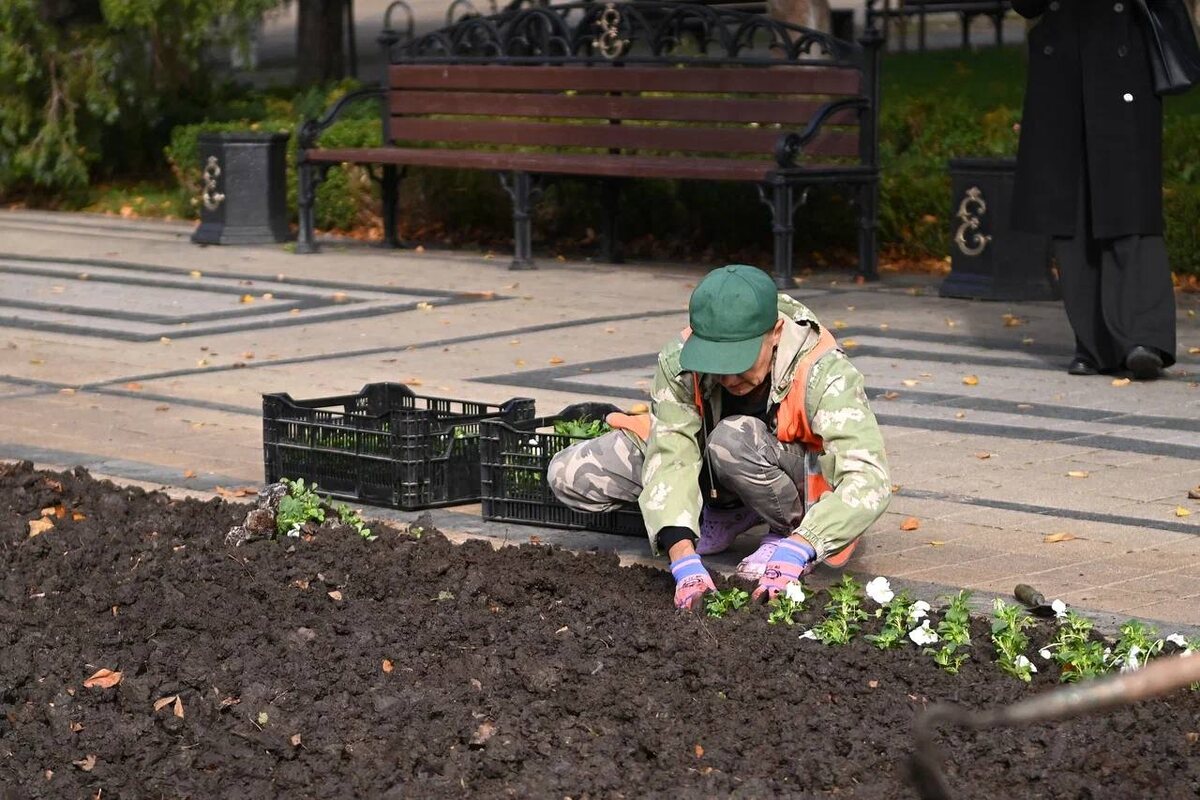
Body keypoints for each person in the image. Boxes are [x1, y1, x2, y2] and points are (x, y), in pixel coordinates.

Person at [548, 264, 891, 610]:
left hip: (789, 475)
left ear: (774, 333)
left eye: (738, 360)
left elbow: (868, 478)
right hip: (712, 468)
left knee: (732, 438)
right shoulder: (680, 360)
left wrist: (803, 544)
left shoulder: (823, 371)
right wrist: (681, 556)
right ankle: (721, 513)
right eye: (717, 361)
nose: (728, 377)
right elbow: (672, 454)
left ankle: (784, 532)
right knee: (569, 474)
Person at [1011, 0, 1177, 379]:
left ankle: (1145, 337)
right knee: (1069, 208)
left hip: (1125, 64)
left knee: (1130, 203)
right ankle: (1093, 345)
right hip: (1061, 67)